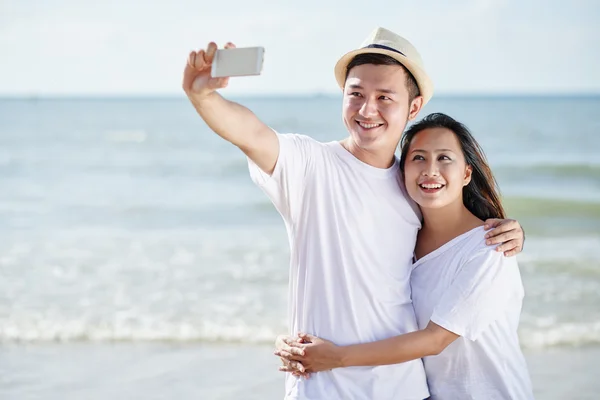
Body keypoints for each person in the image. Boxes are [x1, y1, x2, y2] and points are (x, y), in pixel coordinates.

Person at [182, 26, 525, 400]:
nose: (367, 110)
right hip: (321, 387)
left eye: (384, 97)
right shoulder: (310, 165)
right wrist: (202, 96)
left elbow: (454, 240)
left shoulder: (414, 184)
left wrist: (509, 232)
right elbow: (250, 133)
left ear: (413, 107)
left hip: (404, 390)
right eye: (356, 94)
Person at [274, 113, 535, 399]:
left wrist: (336, 358)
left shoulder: (489, 249)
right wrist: (294, 344)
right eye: (418, 158)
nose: (430, 171)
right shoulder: (405, 241)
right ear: (402, 172)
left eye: (445, 158)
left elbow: (435, 340)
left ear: (466, 173)